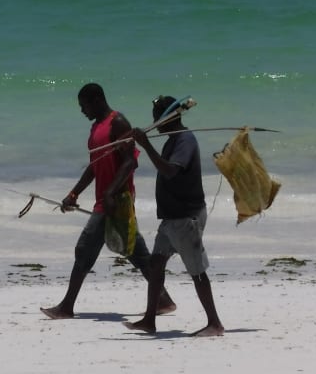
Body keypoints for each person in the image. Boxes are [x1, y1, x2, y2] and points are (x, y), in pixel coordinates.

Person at [41, 83, 176, 320]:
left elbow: (130, 162)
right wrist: (74, 193)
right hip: (106, 199)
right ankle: (163, 300)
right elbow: (95, 166)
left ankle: (66, 307)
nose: (82, 111)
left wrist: (110, 193)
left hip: (116, 199)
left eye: (84, 105)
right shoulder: (96, 128)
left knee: (84, 249)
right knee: (135, 251)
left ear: (96, 100)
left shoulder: (118, 122)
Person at [123, 95, 224, 337]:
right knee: (156, 264)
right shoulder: (172, 140)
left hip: (186, 216)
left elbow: (169, 171)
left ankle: (214, 323)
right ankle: (149, 320)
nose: (155, 123)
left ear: (169, 117)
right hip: (171, 217)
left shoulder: (185, 140)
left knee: (197, 271)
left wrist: (146, 145)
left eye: (157, 119)